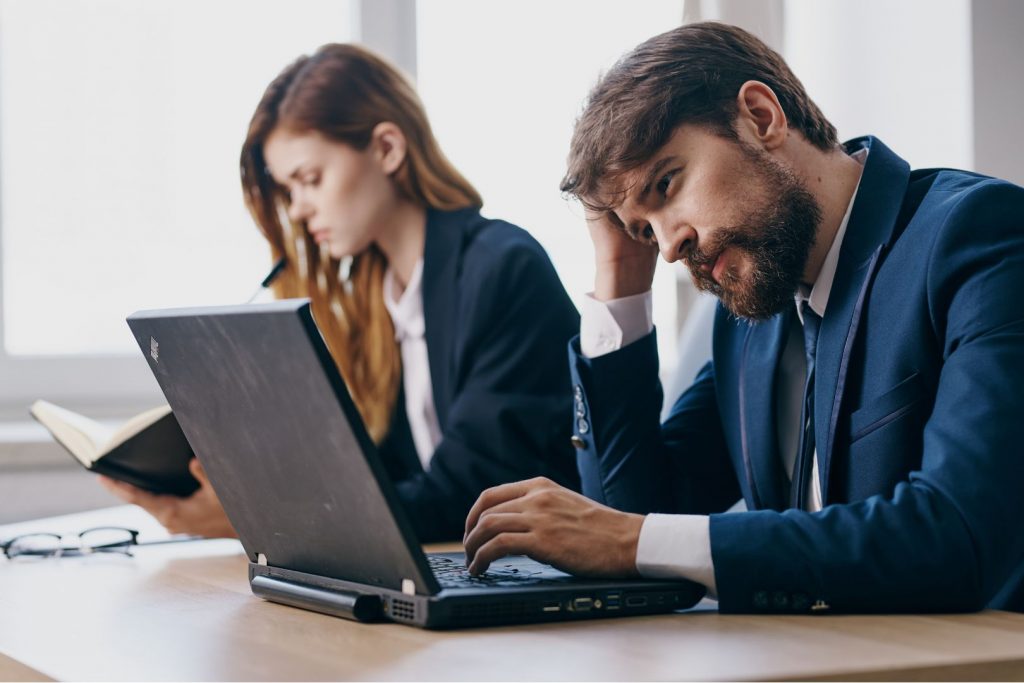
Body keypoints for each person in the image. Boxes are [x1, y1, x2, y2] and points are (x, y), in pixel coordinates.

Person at [463, 21, 1024, 613]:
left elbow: (955, 535)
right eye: (644, 229)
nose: (670, 247)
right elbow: (629, 516)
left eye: (667, 182)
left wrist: (629, 539)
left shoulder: (979, 238)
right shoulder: (751, 312)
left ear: (760, 116)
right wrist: (620, 281)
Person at [101, 43, 581, 542]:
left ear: (387, 149)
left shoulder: (502, 269)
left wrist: (267, 518)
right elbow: (387, 481)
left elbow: (471, 498)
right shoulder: (381, 298)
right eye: (289, 190)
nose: (300, 210)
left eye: (309, 180)